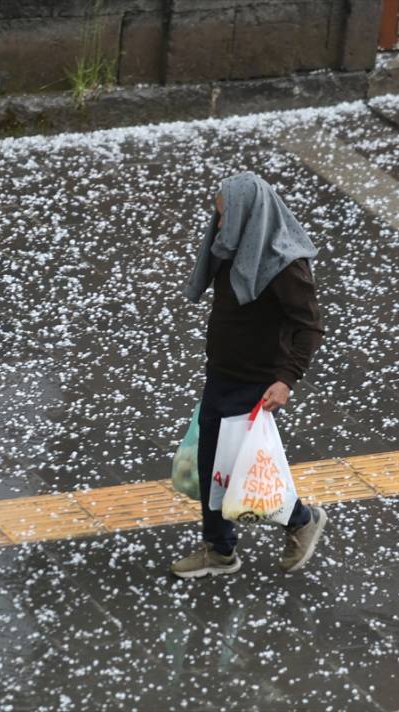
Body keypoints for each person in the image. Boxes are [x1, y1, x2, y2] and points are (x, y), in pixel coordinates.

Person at [171, 171, 328, 579]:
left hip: (256, 382)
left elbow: (309, 326)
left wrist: (286, 380)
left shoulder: (284, 264)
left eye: (225, 217)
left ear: (248, 214)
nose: (218, 226)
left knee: (242, 467)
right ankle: (219, 549)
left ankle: (300, 519)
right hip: (222, 372)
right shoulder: (233, 246)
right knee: (212, 464)